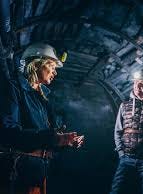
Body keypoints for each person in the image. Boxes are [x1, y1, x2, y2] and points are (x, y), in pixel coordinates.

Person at [0, 43, 84, 194]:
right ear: (37, 65)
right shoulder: (14, 88)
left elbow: (47, 138)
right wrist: (53, 137)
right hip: (18, 171)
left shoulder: (43, 99)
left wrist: (65, 142)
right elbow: (8, 133)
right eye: (51, 68)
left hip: (38, 171)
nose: (55, 73)